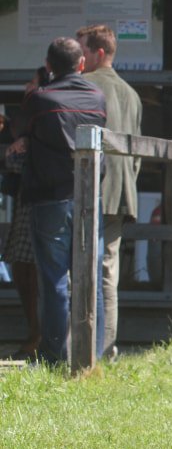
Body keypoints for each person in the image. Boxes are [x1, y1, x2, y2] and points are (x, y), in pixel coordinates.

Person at [9, 37, 108, 364]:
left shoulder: (40, 99)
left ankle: (54, 354)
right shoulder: (97, 97)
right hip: (88, 198)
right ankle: (93, 353)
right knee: (90, 276)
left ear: (49, 66)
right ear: (82, 64)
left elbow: (18, 129)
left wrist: (21, 137)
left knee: (54, 280)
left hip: (49, 199)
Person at [77, 24, 142, 360]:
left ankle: (82, 345)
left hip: (90, 189)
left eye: (82, 50)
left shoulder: (84, 86)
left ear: (98, 53)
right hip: (122, 194)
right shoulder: (132, 94)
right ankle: (106, 347)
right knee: (108, 273)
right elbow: (137, 154)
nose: (79, 57)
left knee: (80, 269)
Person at [0, 103, 39, 358]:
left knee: (31, 275)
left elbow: (15, 161)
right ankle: (35, 331)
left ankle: (38, 333)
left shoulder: (34, 138)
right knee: (21, 271)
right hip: (25, 209)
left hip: (34, 208)